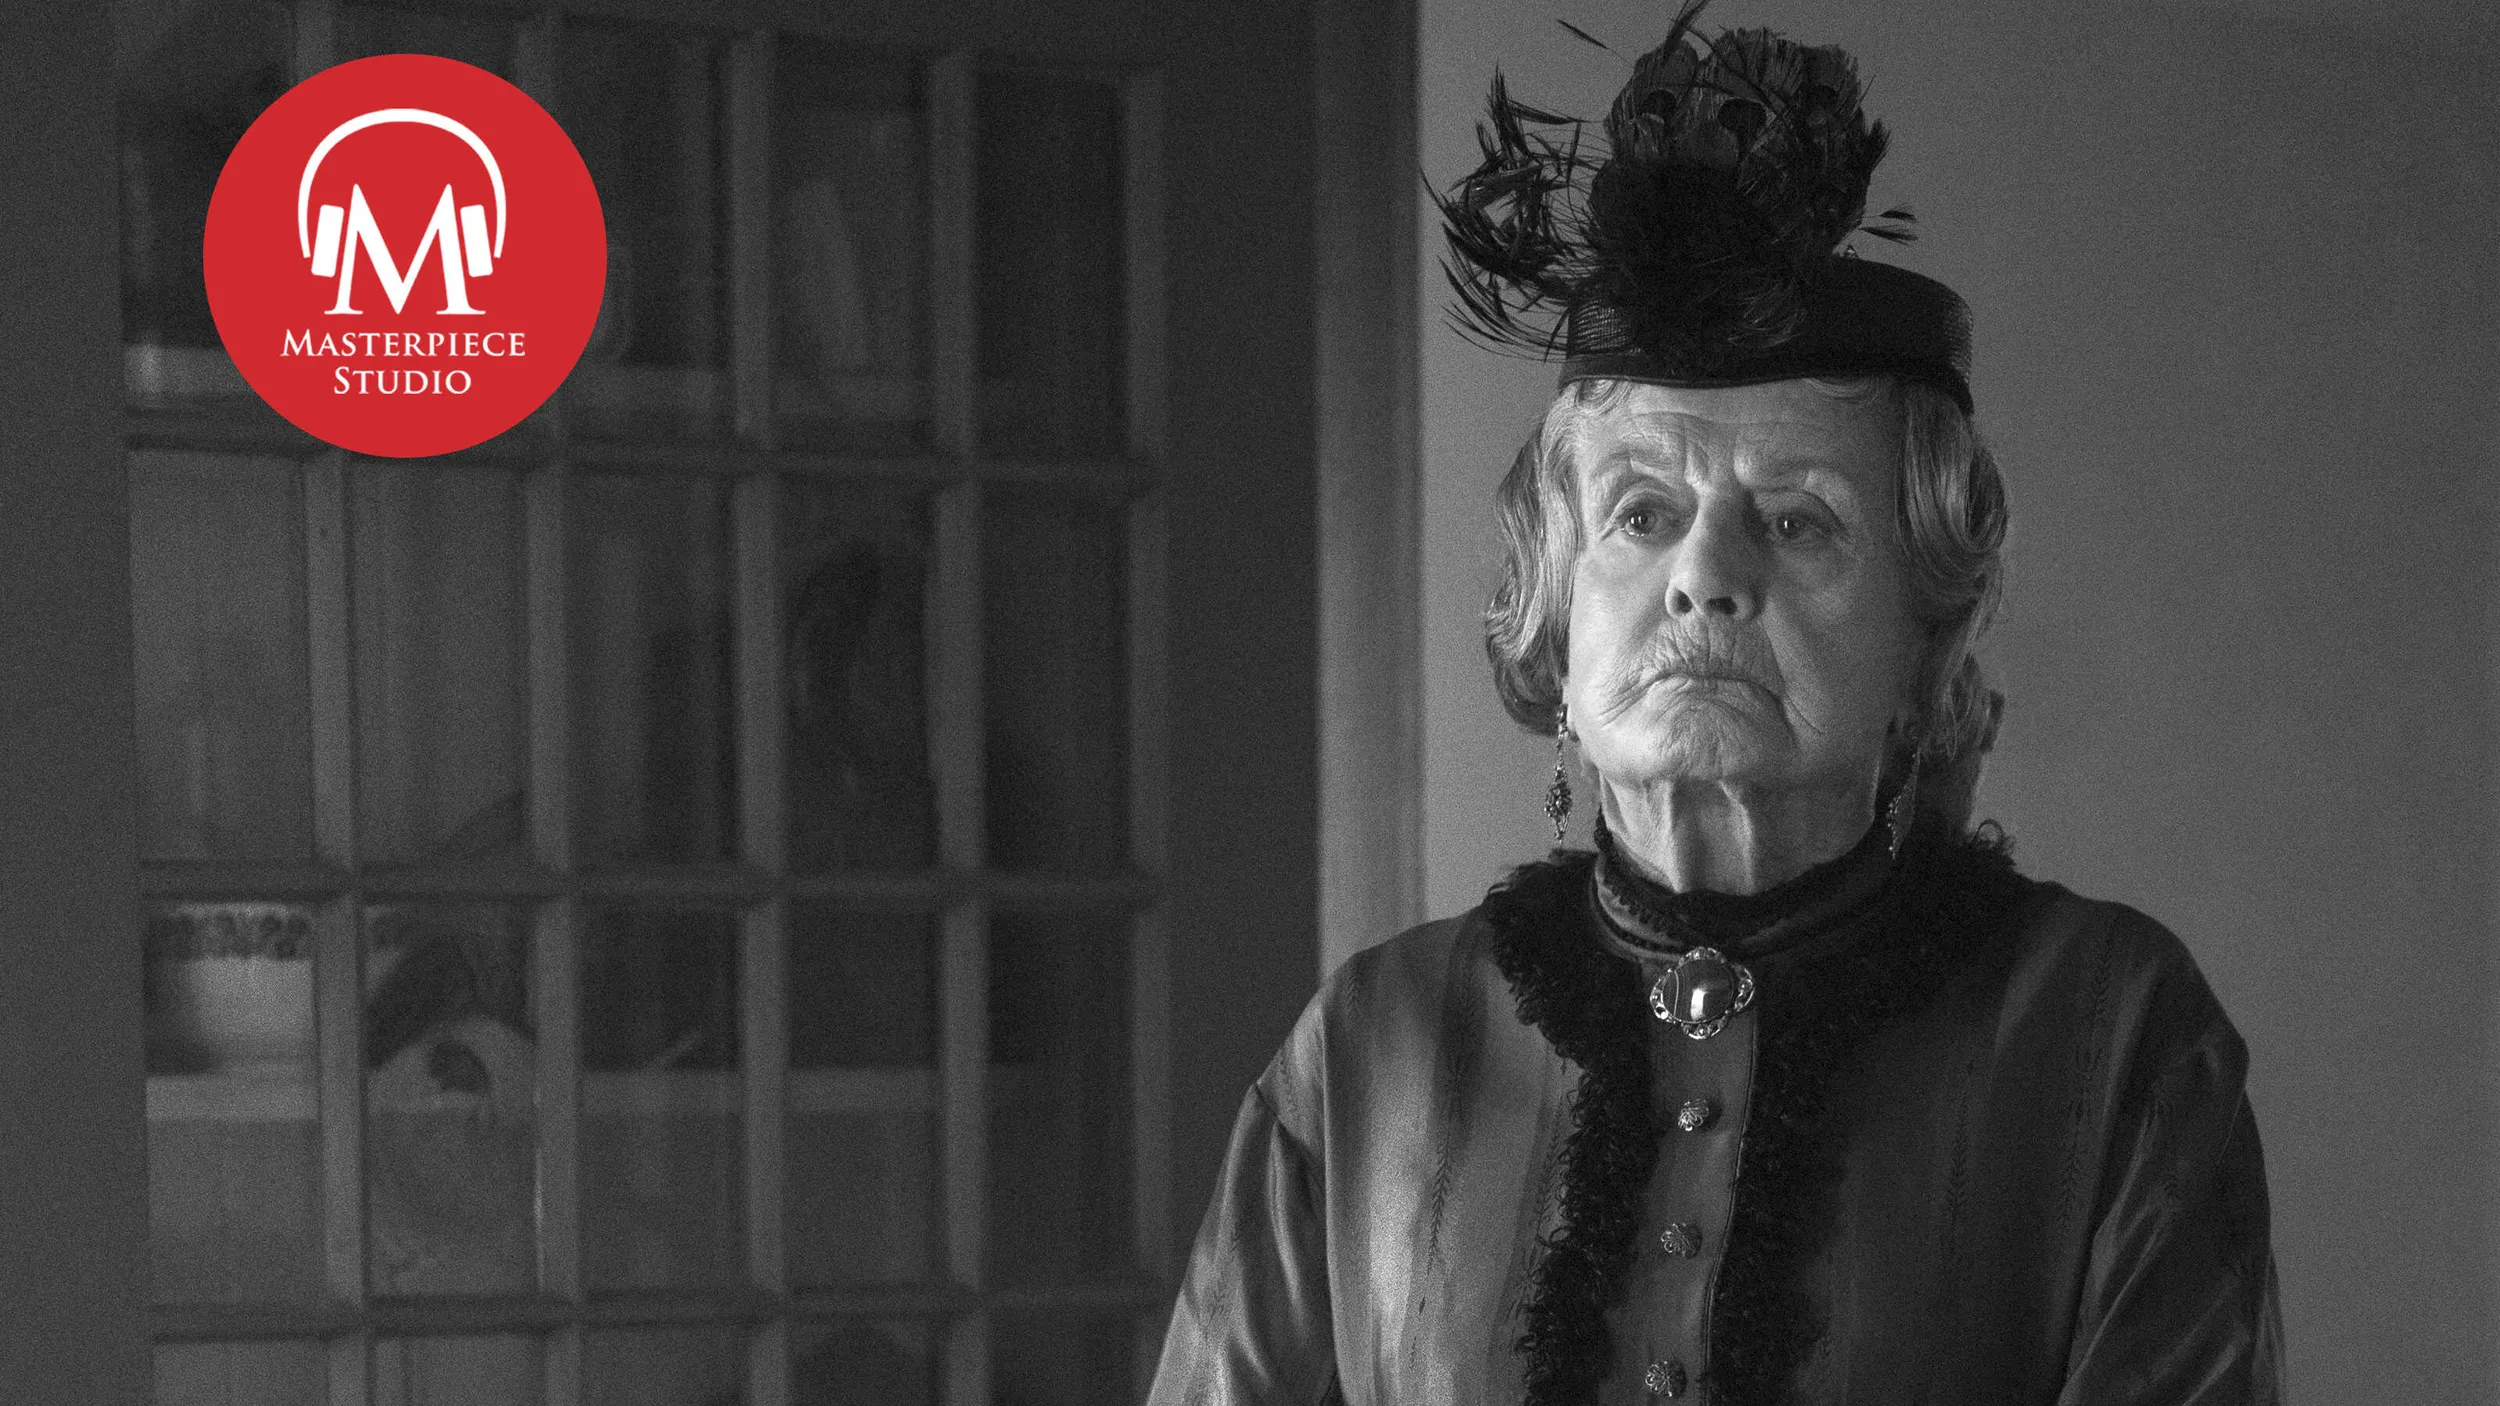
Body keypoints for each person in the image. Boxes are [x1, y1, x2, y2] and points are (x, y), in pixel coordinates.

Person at [1147, 5, 2284, 1402]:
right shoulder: (1369, 1048)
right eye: (1641, 513)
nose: (1704, 577)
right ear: (1556, 615)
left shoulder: (2109, 1034)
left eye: (1798, 523)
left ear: (1927, 643)